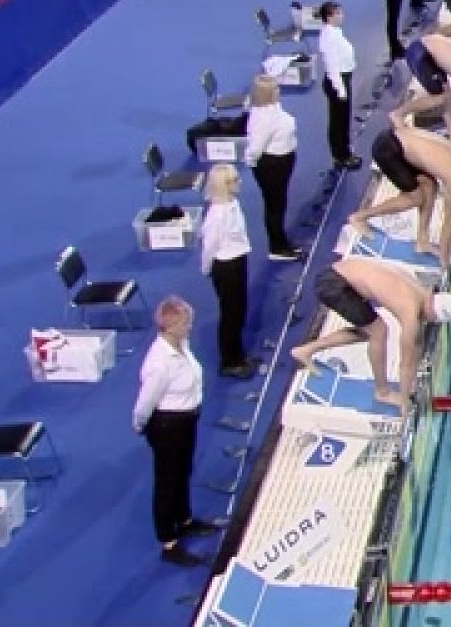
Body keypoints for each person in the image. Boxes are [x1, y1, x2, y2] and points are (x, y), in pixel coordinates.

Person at [293, 259, 451, 411]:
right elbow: (406, 364)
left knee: (368, 332)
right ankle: (383, 392)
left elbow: (416, 345)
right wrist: (404, 400)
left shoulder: (423, 291)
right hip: (334, 285)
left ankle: (305, 351)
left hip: (337, 270)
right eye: (433, 320)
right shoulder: (411, 314)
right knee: (379, 331)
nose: (428, 322)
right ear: (434, 313)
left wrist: (412, 381)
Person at [132, 296, 218, 566]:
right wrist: (141, 425)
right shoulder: (160, 362)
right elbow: (144, 403)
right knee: (167, 482)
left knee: (183, 472)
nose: (190, 326)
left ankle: (185, 519)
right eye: (185, 322)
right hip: (168, 426)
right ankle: (168, 542)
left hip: (186, 420)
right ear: (169, 326)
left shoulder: (181, 345)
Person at [349, 126, 451, 265]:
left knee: (430, 185)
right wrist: (444, 259)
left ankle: (422, 242)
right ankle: (359, 217)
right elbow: (449, 221)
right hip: (387, 150)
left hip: (393, 137)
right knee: (416, 198)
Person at [199, 164, 256, 379]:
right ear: (224, 185)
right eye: (234, 180)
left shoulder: (233, 204)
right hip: (225, 266)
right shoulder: (216, 215)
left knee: (239, 310)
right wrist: (207, 269)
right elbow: (209, 246)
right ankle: (229, 361)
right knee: (230, 314)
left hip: (238, 259)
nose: (239, 183)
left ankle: (239, 354)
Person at [244, 74, 302, 262]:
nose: (279, 90)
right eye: (275, 88)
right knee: (275, 207)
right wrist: (252, 163)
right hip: (272, 166)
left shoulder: (272, 108)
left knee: (279, 204)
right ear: (267, 94)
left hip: (280, 162)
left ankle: (281, 241)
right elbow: (255, 148)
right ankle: (277, 248)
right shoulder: (263, 117)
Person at [390, 34, 451, 153]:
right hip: (421, 56)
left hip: (424, 49)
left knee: (446, 94)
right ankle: (398, 114)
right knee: (441, 98)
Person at [318, 1, 362, 170]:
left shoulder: (334, 32)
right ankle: (341, 156)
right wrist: (340, 89)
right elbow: (331, 65)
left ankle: (344, 151)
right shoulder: (329, 37)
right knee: (339, 121)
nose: (342, 16)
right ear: (329, 17)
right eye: (338, 13)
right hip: (338, 82)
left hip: (342, 80)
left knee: (342, 119)